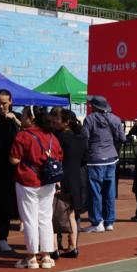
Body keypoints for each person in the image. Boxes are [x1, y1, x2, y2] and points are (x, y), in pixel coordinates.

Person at [8, 106, 63, 269]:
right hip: (48, 181)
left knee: (29, 219)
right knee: (45, 218)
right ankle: (46, 256)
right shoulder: (52, 136)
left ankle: (31, 257)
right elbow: (59, 157)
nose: (22, 117)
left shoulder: (23, 135)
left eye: (24, 115)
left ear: (31, 118)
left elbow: (14, 159)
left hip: (27, 180)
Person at [82, 95, 126, 233]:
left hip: (95, 159)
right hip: (111, 158)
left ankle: (97, 222)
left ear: (94, 106)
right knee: (109, 191)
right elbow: (122, 138)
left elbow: (84, 138)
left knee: (95, 192)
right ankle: (109, 222)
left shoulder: (89, 119)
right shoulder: (115, 119)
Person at [50, 108, 87, 257]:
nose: (53, 123)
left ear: (65, 122)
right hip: (76, 179)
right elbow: (85, 159)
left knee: (53, 214)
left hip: (60, 178)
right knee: (72, 214)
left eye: (55, 120)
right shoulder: (81, 137)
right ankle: (73, 246)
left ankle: (54, 248)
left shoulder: (58, 137)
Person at [0, 88, 21, 252]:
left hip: (9, 169)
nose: (0, 106)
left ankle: (2, 238)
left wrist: (15, 120)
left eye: (3, 103)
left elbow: (28, 133)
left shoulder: (16, 117)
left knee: (6, 204)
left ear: (10, 102)